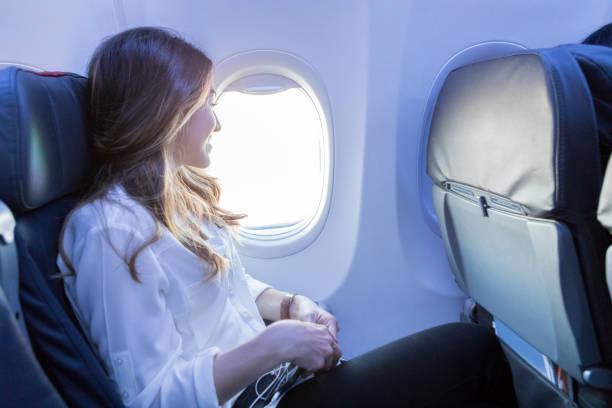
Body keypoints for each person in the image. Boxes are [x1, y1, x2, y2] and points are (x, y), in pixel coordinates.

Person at [57, 26, 517, 408]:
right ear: (164, 115)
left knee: (466, 349)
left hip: (275, 387)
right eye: (206, 103)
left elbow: (227, 290)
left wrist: (292, 306)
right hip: (254, 400)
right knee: (471, 351)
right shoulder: (110, 233)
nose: (216, 123)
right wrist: (275, 345)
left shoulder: (177, 198)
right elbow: (150, 399)